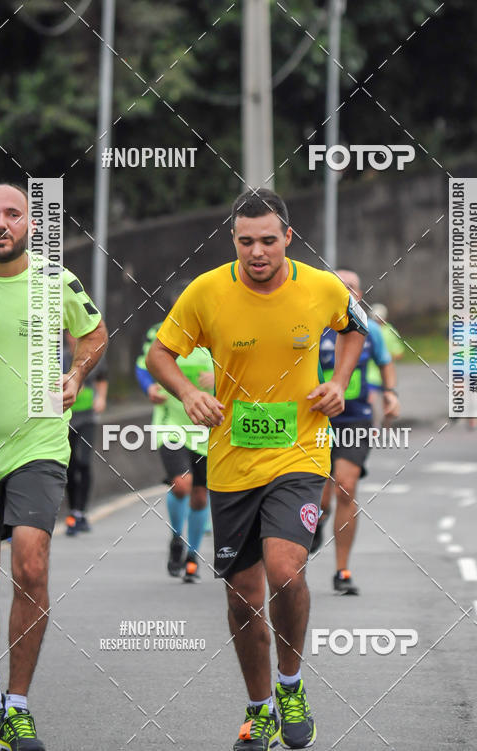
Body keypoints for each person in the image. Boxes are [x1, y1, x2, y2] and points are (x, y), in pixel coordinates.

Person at [146, 188, 367, 751]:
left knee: (285, 569)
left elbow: (355, 327)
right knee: (242, 595)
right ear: (234, 241)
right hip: (230, 461)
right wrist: (187, 396)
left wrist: (338, 383)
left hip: (301, 450)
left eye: (269, 240)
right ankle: (259, 706)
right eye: (247, 242)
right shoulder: (207, 292)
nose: (258, 252)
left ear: (288, 238)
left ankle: (291, 687)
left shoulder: (321, 287)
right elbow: (159, 354)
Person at [0, 184, 108, 751]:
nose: (2, 223)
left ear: (30, 223)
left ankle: (18, 706)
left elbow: (93, 335)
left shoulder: (56, 279)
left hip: (38, 443)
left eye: (13, 214)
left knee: (32, 564)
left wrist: (76, 375)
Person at [315, 271, 399, 596]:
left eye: (351, 287)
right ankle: (317, 521)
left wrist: (391, 392)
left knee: (346, 488)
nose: (346, 292)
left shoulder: (369, 329)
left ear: (361, 294)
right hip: (317, 422)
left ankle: (342, 570)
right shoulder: (313, 325)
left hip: (356, 420)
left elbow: (385, 361)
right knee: (320, 497)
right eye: (340, 286)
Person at [135, 290, 214, 582]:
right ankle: (176, 537)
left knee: (200, 494)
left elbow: (243, 367)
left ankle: (192, 555)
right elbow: (143, 366)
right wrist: (149, 389)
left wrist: (219, 377)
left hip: (207, 425)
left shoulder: (217, 332)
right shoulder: (160, 332)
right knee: (182, 484)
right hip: (171, 424)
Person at [63, 330, 108, 536]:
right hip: (68, 417)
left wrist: (101, 398)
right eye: (70, 335)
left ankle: (82, 511)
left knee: (84, 462)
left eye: (77, 335)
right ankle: (73, 512)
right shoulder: (61, 358)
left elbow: (102, 378)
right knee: (70, 466)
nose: (74, 339)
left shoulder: (91, 356)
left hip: (88, 418)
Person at [366, 303, 403, 427]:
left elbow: (398, 353)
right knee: (385, 400)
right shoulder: (389, 330)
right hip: (377, 374)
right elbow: (398, 354)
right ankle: (382, 427)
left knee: (378, 401)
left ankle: (378, 427)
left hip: (376, 373)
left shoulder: (367, 329)